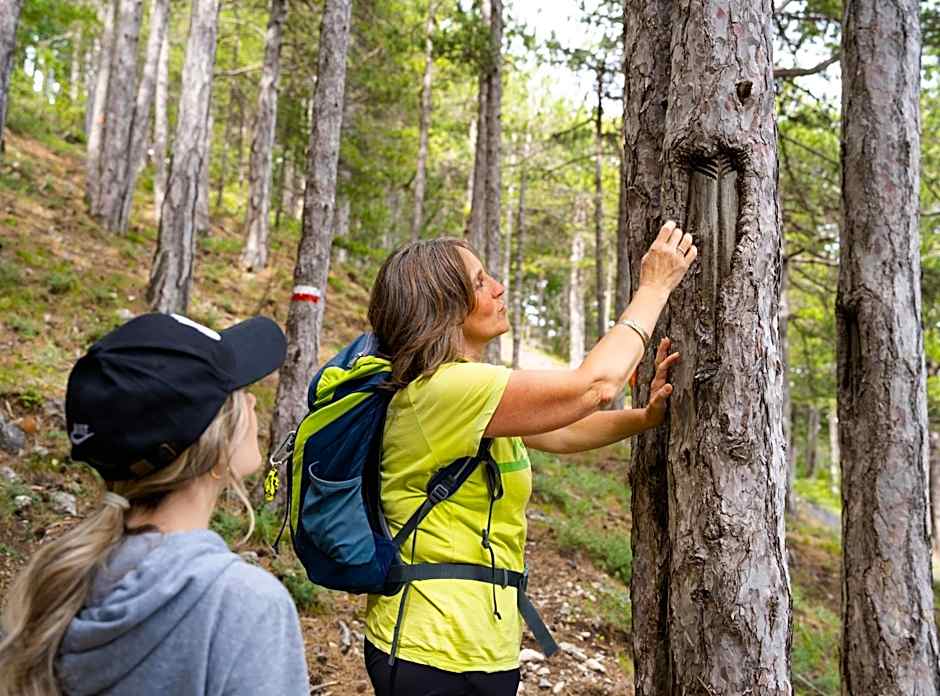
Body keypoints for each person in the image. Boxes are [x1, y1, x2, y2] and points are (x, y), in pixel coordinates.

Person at [363, 221, 697, 695]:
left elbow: (563, 429)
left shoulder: (470, 394)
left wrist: (643, 418)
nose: (498, 288)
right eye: (480, 283)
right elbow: (594, 386)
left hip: (485, 646)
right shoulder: (441, 391)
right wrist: (655, 285)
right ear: (443, 306)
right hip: (426, 646)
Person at [0, 313, 310, 696]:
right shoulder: (245, 607)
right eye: (237, 393)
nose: (251, 400)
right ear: (213, 444)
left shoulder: (51, 583)